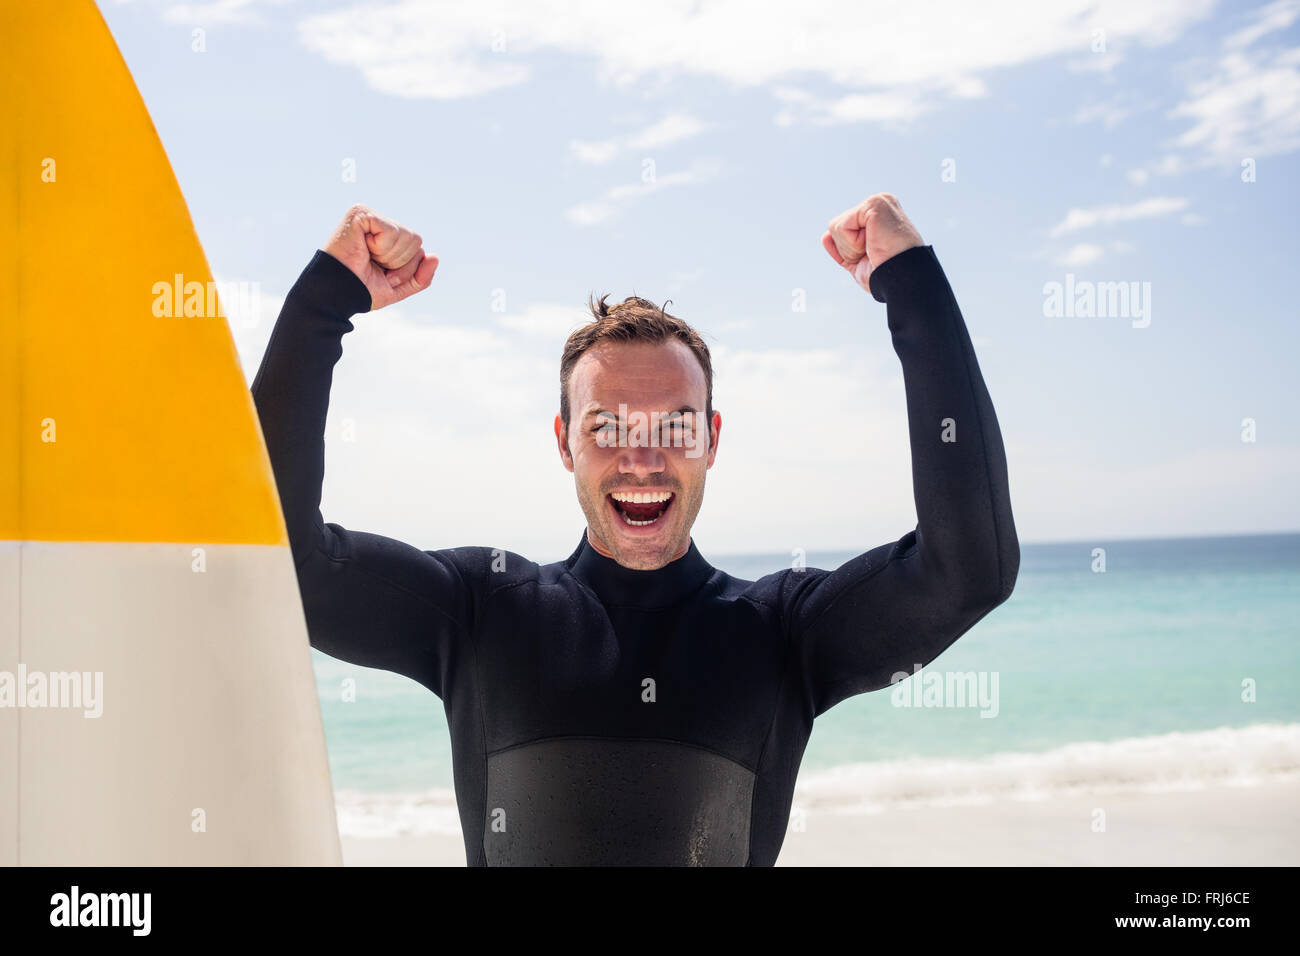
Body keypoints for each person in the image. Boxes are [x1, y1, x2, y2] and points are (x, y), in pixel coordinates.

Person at [250, 194, 1019, 866]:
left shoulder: (784, 636)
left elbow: (969, 567)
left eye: (676, 427)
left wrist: (911, 280)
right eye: (608, 426)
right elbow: (282, 562)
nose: (643, 461)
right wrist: (327, 300)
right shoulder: (482, 612)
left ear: (712, 441)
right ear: (564, 443)